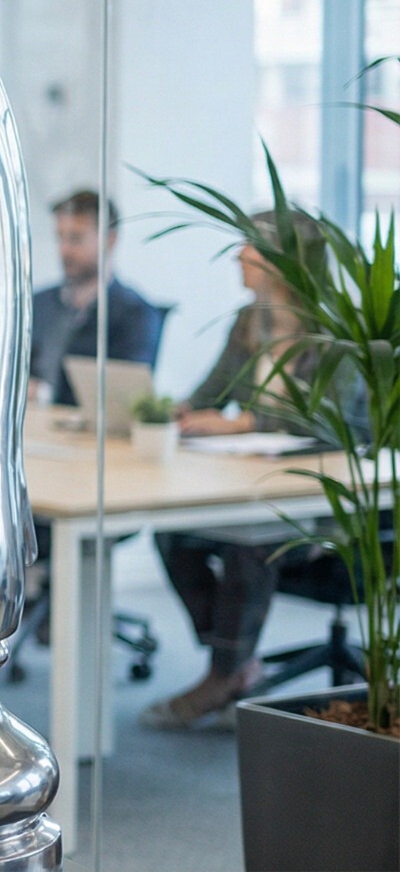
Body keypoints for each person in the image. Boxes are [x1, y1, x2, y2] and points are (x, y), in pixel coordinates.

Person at [142, 209, 324, 730]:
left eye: (254, 247)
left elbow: (337, 428)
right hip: (250, 483)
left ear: (291, 261)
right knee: (173, 534)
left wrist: (246, 421)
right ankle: (235, 659)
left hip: (316, 502)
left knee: (252, 542)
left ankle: (221, 675)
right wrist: (176, 411)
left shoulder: (335, 334)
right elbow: (209, 394)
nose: (240, 256)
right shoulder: (249, 323)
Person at [28, 189, 165, 406]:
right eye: (60, 237)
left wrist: (43, 393)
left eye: (76, 238)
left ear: (109, 240)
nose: (64, 250)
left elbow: (123, 400)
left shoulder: (136, 315)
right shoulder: (36, 303)